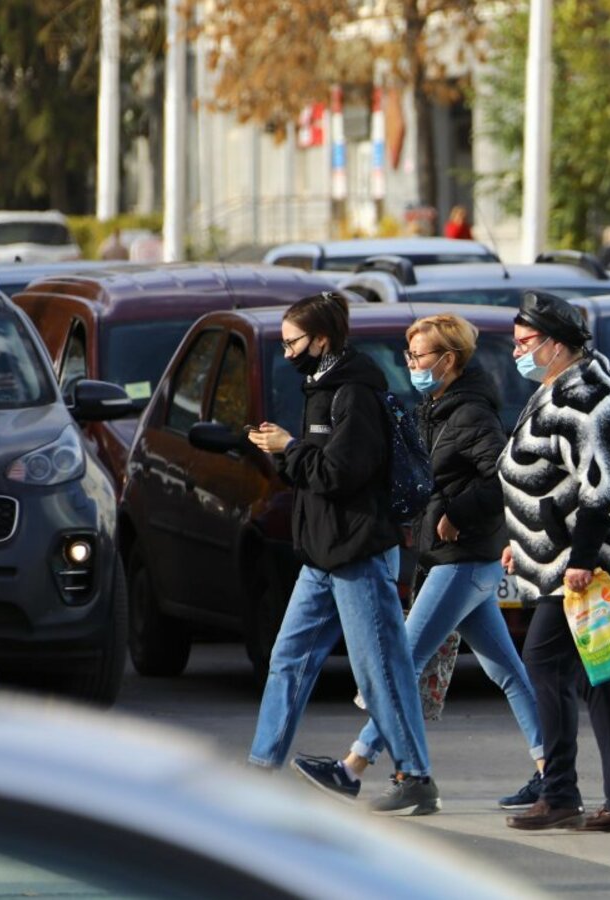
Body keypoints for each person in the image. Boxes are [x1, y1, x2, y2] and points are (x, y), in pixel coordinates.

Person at [291, 313, 546, 810]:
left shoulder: (470, 414)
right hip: (452, 558)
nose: (412, 364)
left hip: (463, 558)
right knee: (506, 671)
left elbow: (501, 480)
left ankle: (354, 766)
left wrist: (456, 510)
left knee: (399, 662)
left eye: (420, 355)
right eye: (409, 355)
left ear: (448, 360)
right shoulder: (436, 407)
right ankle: (552, 767)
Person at [245, 291, 440, 817]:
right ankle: (262, 769)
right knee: (287, 661)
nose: (286, 352)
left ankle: (415, 777)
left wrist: (289, 448)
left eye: (293, 342)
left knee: (380, 669)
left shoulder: (353, 393)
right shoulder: (320, 387)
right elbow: (315, 472)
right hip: (322, 556)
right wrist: (283, 451)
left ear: (322, 339)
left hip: (359, 553)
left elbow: (340, 473)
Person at [499, 290, 610, 833]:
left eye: (524, 342)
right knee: (600, 676)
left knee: (545, 661)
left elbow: (601, 483)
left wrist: (581, 560)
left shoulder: (585, 395)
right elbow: (547, 472)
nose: (516, 351)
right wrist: (520, 538)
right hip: (563, 555)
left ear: (557, 345)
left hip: (587, 560)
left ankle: (563, 792)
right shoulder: (560, 386)